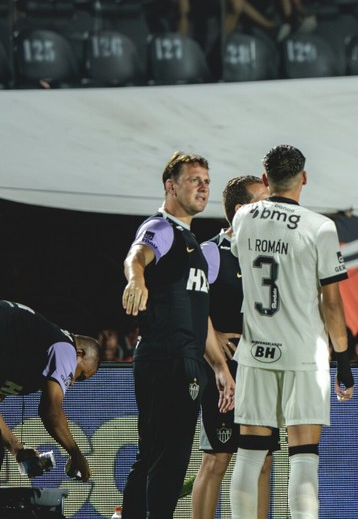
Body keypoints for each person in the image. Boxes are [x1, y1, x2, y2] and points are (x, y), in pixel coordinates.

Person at [227, 145, 355, 519]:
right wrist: (343, 360)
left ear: (265, 179)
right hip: (305, 353)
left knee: (249, 455)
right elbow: (332, 304)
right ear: (304, 178)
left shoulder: (244, 217)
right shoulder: (320, 227)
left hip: (256, 351)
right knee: (303, 456)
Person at [120, 151, 235, 519]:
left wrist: (220, 367)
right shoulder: (163, 227)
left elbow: (198, 317)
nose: (203, 187)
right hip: (166, 356)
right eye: (194, 180)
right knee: (166, 459)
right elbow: (137, 254)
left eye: (207, 181)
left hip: (184, 358)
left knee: (159, 456)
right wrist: (136, 278)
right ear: (170, 186)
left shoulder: (190, 241)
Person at [193, 175, 275, 519]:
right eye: (263, 202)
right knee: (217, 457)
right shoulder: (211, 251)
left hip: (262, 365)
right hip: (224, 366)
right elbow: (195, 306)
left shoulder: (272, 250)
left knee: (263, 459)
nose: (271, 208)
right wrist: (213, 338)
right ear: (241, 210)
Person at [0, 301, 99, 482]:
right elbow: (51, 412)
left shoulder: (28, 353)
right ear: (80, 354)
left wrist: (16, 449)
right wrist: (76, 455)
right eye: (81, 375)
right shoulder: (65, 348)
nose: (73, 381)